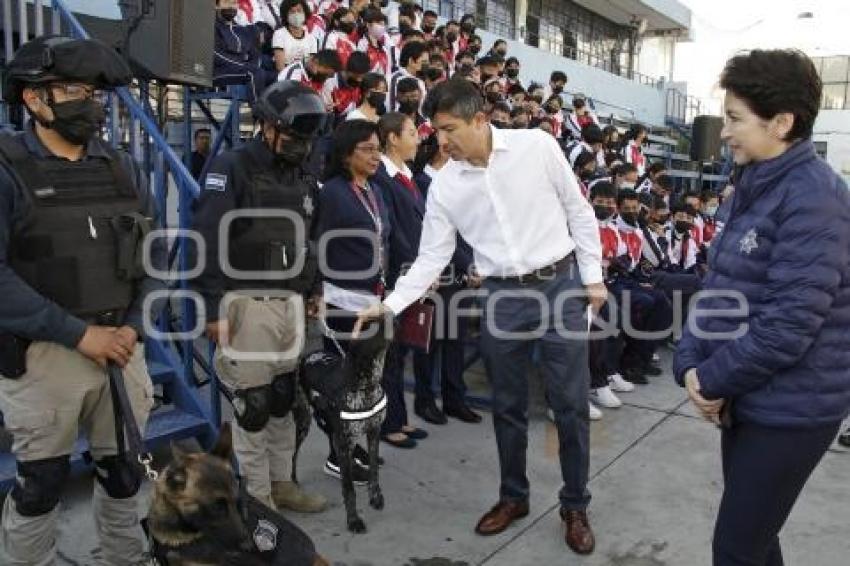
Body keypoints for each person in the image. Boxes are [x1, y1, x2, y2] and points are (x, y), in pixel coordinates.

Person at [354, 78, 603, 556]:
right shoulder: (446, 185)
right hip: (500, 297)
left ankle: (575, 504)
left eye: (448, 129)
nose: (440, 141)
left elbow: (580, 211)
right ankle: (514, 497)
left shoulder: (539, 147)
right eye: (434, 130)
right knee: (506, 407)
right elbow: (431, 258)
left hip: (559, 287)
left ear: (480, 119)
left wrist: (592, 279)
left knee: (569, 407)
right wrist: (388, 305)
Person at [674, 49, 850, 566]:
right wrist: (688, 364)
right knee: (755, 541)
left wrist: (710, 380)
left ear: (782, 122)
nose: (723, 132)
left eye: (734, 119)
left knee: (736, 547)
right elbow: (718, 289)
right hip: (746, 396)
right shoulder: (748, 187)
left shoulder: (815, 197)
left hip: (793, 409)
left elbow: (789, 325)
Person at [0, 35, 167, 565]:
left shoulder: (123, 168)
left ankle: (123, 556)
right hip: (46, 354)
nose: (89, 101)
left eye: (94, 91)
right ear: (33, 99)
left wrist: (135, 326)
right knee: (41, 483)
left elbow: (156, 257)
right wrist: (79, 334)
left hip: (122, 346)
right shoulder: (6, 170)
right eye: (72, 88)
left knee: (123, 475)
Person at [190, 81, 329, 513]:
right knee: (253, 408)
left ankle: (282, 484)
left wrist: (315, 287)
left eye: (306, 140)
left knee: (284, 401)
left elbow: (311, 237)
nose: (300, 146)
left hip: (290, 304)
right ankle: (257, 502)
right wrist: (213, 310)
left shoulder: (304, 175)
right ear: (266, 127)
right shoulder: (233, 168)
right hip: (245, 304)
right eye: (292, 136)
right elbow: (207, 241)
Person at [314, 119, 394, 482]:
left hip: (373, 301)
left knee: (366, 382)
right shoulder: (332, 193)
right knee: (344, 383)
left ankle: (355, 445)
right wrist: (314, 291)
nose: (376, 155)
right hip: (342, 304)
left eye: (379, 148)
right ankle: (338, 454)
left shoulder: (374, 191)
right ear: (347, 154)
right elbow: (317, 246)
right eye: (368, 149)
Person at [370, 112, 441, 444]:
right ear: (393, 138)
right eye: (411, 133)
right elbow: (393, 232)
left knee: (399, 353)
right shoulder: (383, 177)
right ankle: (388, 422)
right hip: (397, 276)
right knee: (388, 354)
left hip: (413, 275)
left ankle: (399, 416)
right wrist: (416, 273)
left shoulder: (406, 175)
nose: (418, 139)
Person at [412, 133, 480, 423]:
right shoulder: (422, 183)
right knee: (429, 342)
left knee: (456, 340)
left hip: (464, 274)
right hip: (441, 272)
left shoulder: (459, 182)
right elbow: (439, 234)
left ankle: (455, 398)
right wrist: (468, 265)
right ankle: (425, 399)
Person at [213, 0, 267, 101]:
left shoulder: (242, 30)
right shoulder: (211, 26)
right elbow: (215, 54)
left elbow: (254, 54)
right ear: (216, 5)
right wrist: (242, 65)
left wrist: (249, 65)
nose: (231, 6)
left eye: (234, 3)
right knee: (254, 73)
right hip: (218, 72)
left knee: (273, 76)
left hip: (241, 70)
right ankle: (259, 114)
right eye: (226, 2)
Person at [321, 50, 370, 119]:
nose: (360, 80)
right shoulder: (331, 82)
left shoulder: (362, 83)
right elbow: (327, 111)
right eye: (357, 76)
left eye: (362, 77)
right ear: (348, 70)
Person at [273, 0, 320, 71]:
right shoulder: (279, 34)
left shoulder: (312, 39)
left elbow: (312, 67)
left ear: (305, 13)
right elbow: (280, 67)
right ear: (286, 15)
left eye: (299, 10)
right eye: (292, 12)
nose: (296, 14)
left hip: (304, 77)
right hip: (285, 77)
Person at [388, 41, 429, 112]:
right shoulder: (397, 79)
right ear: (411, 61)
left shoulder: (420, 79)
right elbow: (394, 108)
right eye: (424, 62)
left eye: (427, 62)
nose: (427, 65)